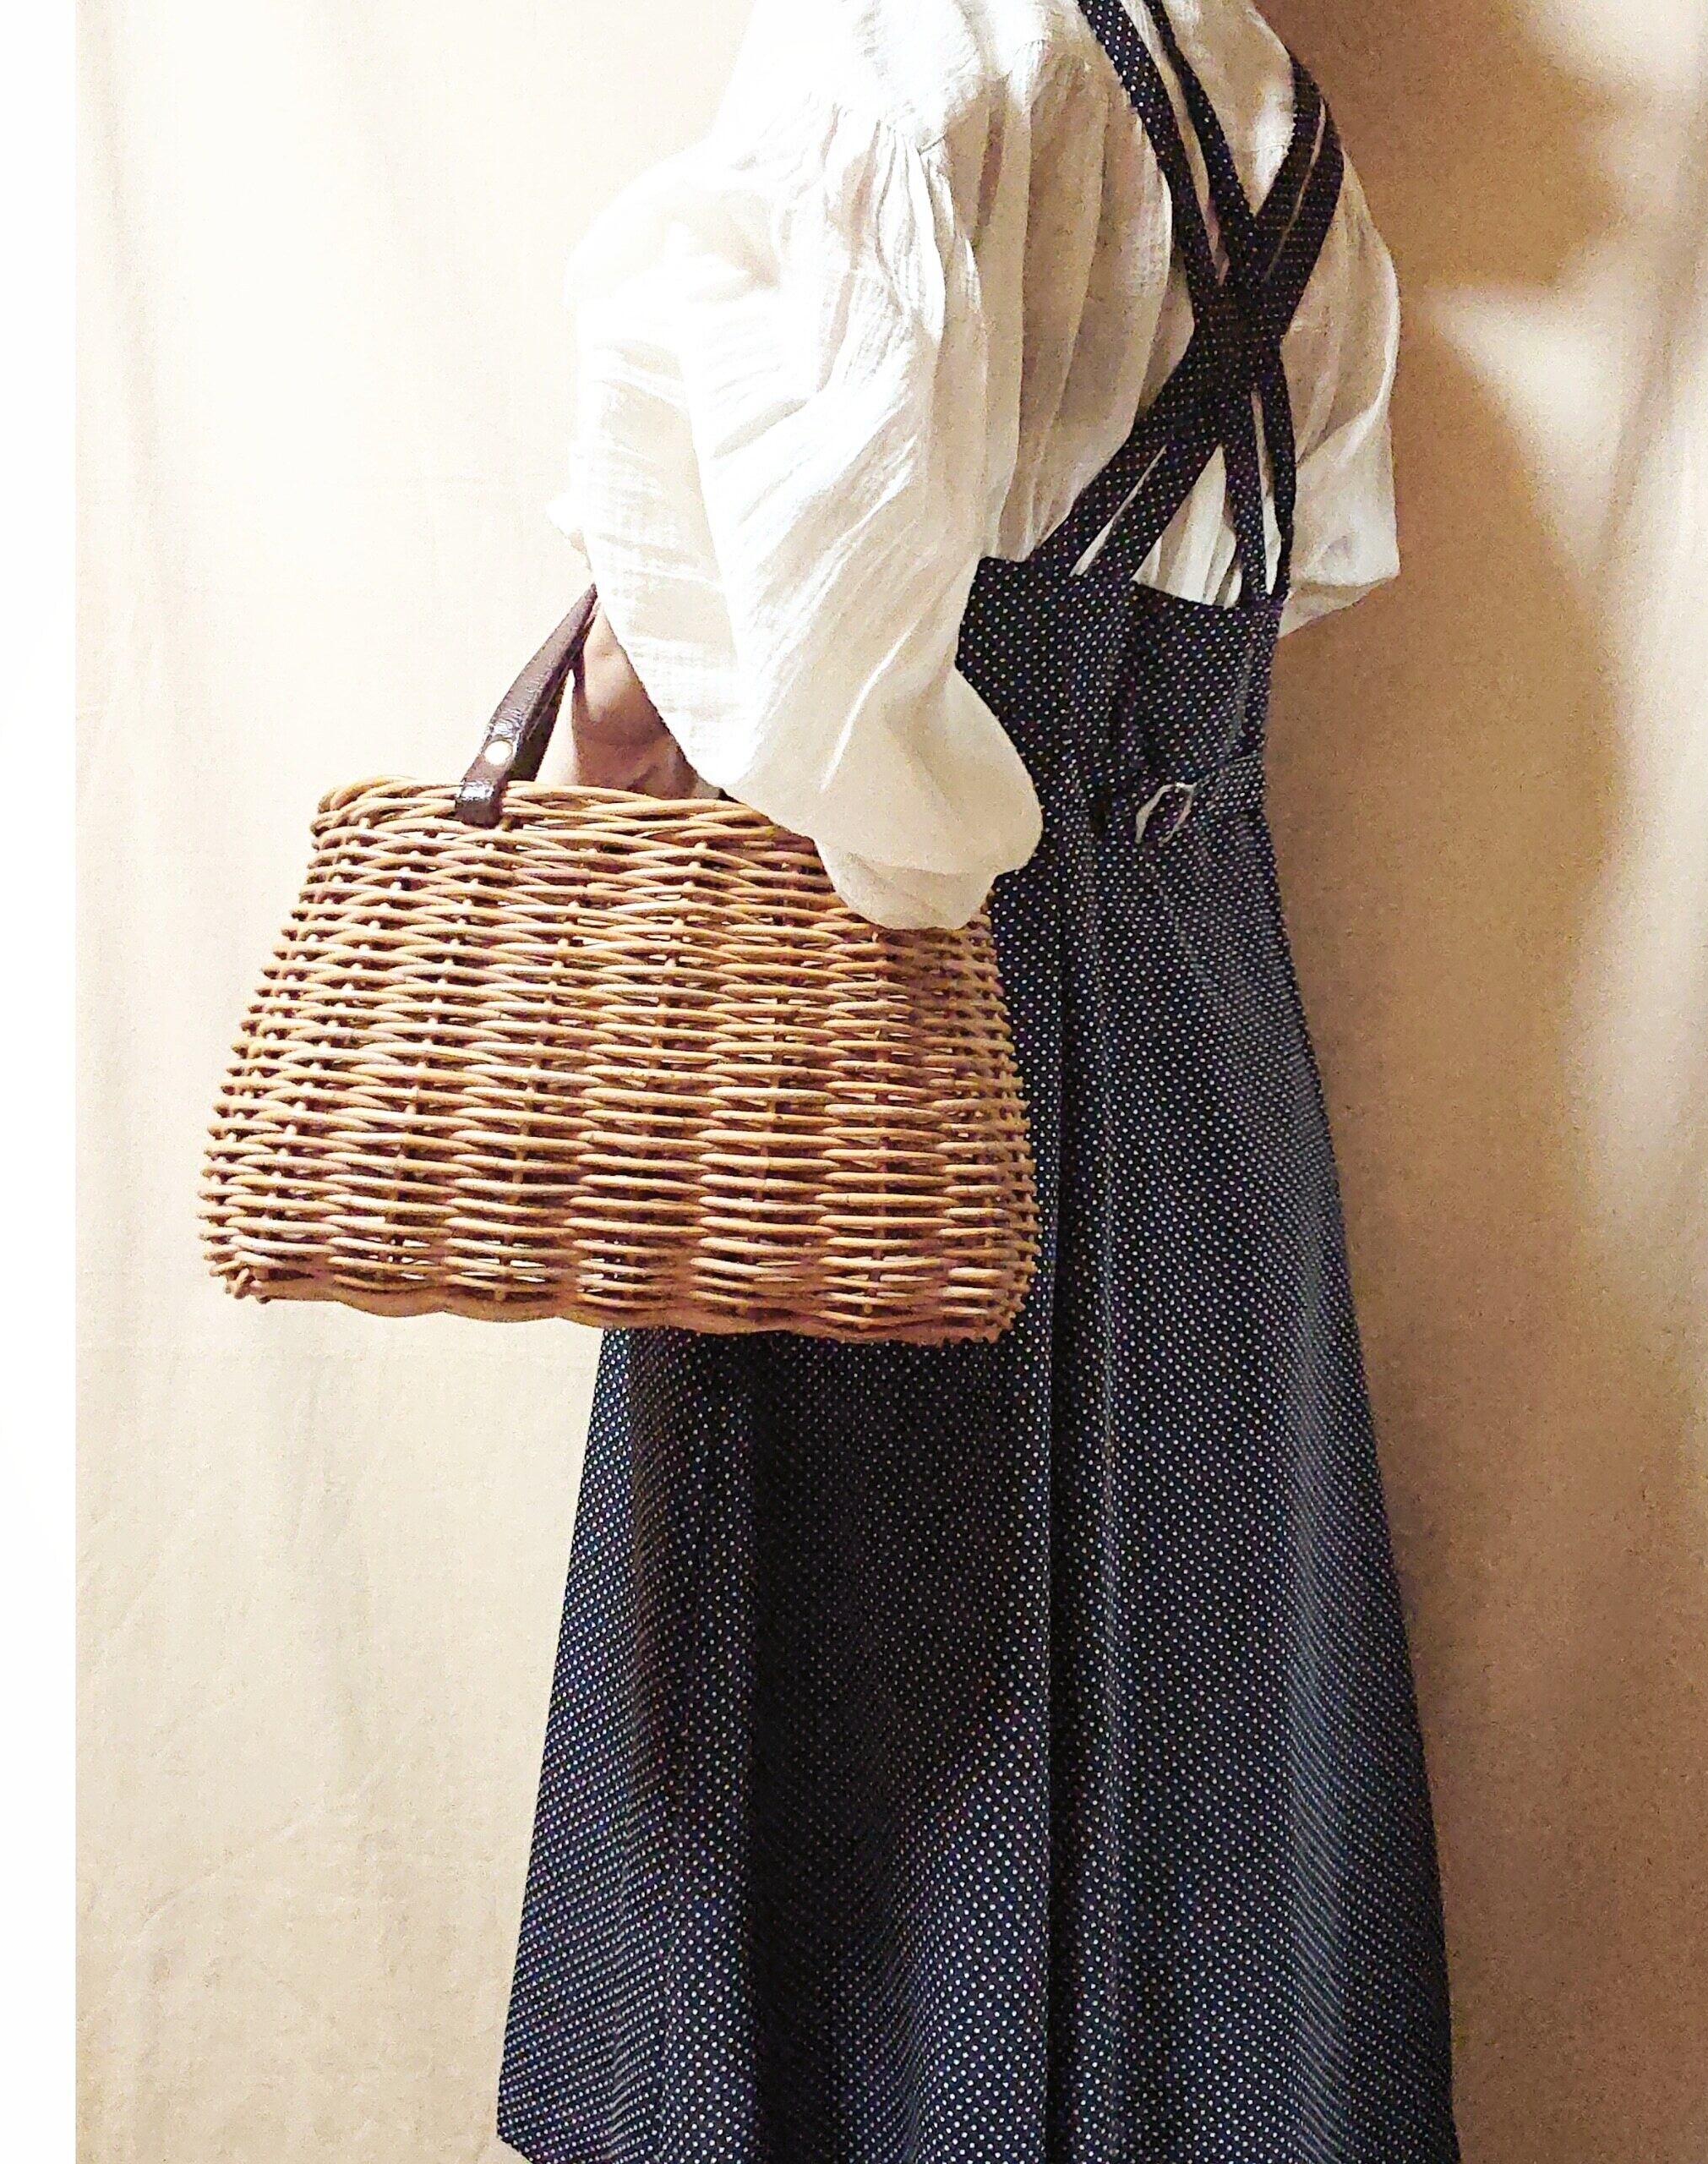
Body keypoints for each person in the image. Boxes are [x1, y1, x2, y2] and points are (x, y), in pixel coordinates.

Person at [502, 3, 1461, 2160]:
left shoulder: (899, 56)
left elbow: (766, 642)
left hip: (897, 1013)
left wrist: (649, 766)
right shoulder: (1282, 124)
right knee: (1186, 1693)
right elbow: (1288, 587)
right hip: (1202, 1011)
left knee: (869, 1734)